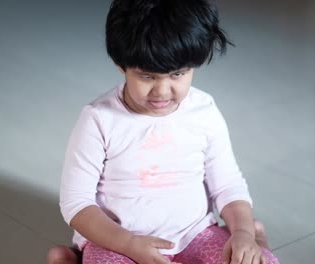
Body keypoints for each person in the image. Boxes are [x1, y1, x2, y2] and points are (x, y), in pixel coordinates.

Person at [48, 0, 281, 263]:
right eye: (147, 77)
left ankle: (254, 235)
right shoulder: (98, 119)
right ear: (122, 66)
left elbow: (227, 185)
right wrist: (130, 244)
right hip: (119, 242)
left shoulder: (203, 111)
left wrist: (242, 233)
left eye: (177, 74)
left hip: (195, 235)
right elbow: (76, 203)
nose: (162, 91)